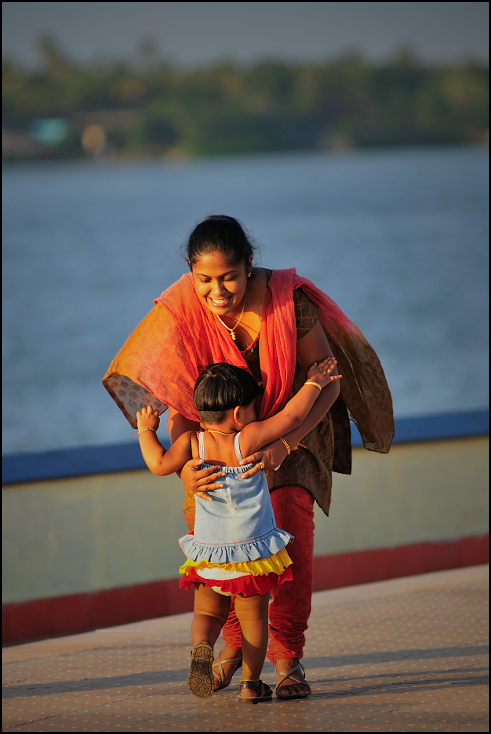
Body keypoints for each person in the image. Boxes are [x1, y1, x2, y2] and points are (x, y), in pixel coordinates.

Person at [103, 214, 394, 700]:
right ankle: (234, 656)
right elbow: (179, 396)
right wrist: (189, 473)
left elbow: (325, 382)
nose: (217, 291)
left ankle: (288, 662)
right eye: (204, 280)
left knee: (289, 540)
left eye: (229, 278)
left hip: (293, 432)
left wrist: (284, 444)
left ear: (250, 266)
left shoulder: (288, 301)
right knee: (220, 540)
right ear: (191, 274)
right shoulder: (181, 309)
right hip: (215, 443)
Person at [136, 359, 341, 701]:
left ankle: (203, 647)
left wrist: (146, 429)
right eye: (253, 407)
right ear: (238, 413)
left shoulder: (191, 443)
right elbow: (291, 417)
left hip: (209, 550)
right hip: (251, 554)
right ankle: (250, 684)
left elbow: (157, 464)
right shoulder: (247, 440)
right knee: (254, 621)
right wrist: (314, 383)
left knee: (207, 612)